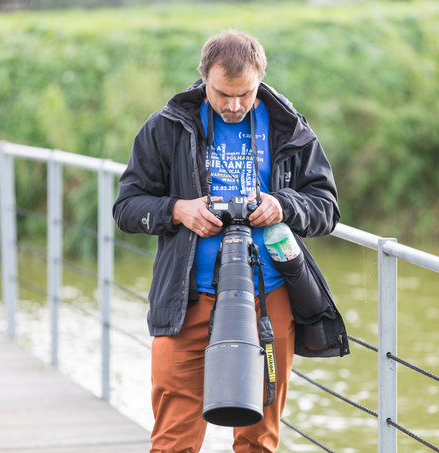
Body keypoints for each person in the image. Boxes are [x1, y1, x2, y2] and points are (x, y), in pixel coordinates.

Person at [113, 29, 349, 453]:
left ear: (261, 78)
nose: (235, 105)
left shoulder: (289, 129)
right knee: (172, 439)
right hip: (186, 300)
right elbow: (127, 207)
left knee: (259, 439)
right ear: (203, 78)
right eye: (223, 94)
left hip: (269, 296)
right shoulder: (167, 127)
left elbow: (326, 208)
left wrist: (283, 205)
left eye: (246, 94)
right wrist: (178, 210)